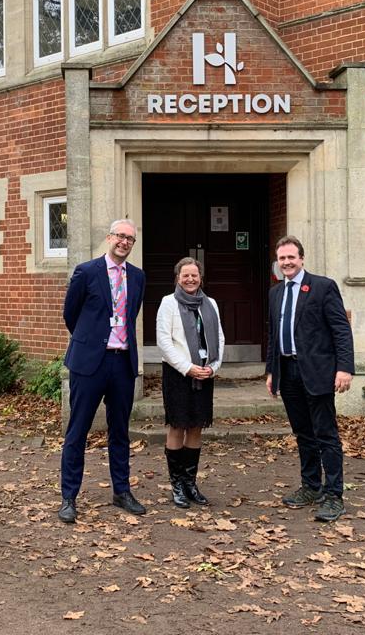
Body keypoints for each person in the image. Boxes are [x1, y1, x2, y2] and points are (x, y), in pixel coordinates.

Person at [58, 219, 147, 524]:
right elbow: (71, 314)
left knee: (120, 431)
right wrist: (91, 340)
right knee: (78, 431)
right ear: (110, 237)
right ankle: (69, 497)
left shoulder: (137, 277)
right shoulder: (86, 271)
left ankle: (121, 491)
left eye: (130, 239)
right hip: (89, 363)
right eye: (120, 236)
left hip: (122, 363)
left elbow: (130, 314)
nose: (124, 242)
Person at [265, 235, 354, 522]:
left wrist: (345, 368)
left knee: (326, 435)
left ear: (301, 258)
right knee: (303, 434)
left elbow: (341, 329)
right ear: (278, 263)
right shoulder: (275, 293)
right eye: (282, 258)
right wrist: (271, 370)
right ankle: (311, 486)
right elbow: (272, 335)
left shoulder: (323, 287)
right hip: (288, 373)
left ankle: (333, 495)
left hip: (318, 373)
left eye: (291, 257)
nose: (287, 262)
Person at [155, 257, 225, 508]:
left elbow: (219, 337)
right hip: (178, 374)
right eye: (185, 275)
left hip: (204, 374)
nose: (190, 279)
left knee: (196, 427)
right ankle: (177, 486)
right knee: (177, 426)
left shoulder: (211, 304)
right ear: (178, 278)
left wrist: (213, 368)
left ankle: (190, 483)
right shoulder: (168, 303)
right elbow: (164, 342)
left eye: (194, 275)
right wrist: (188, 368)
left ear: (200, 277)